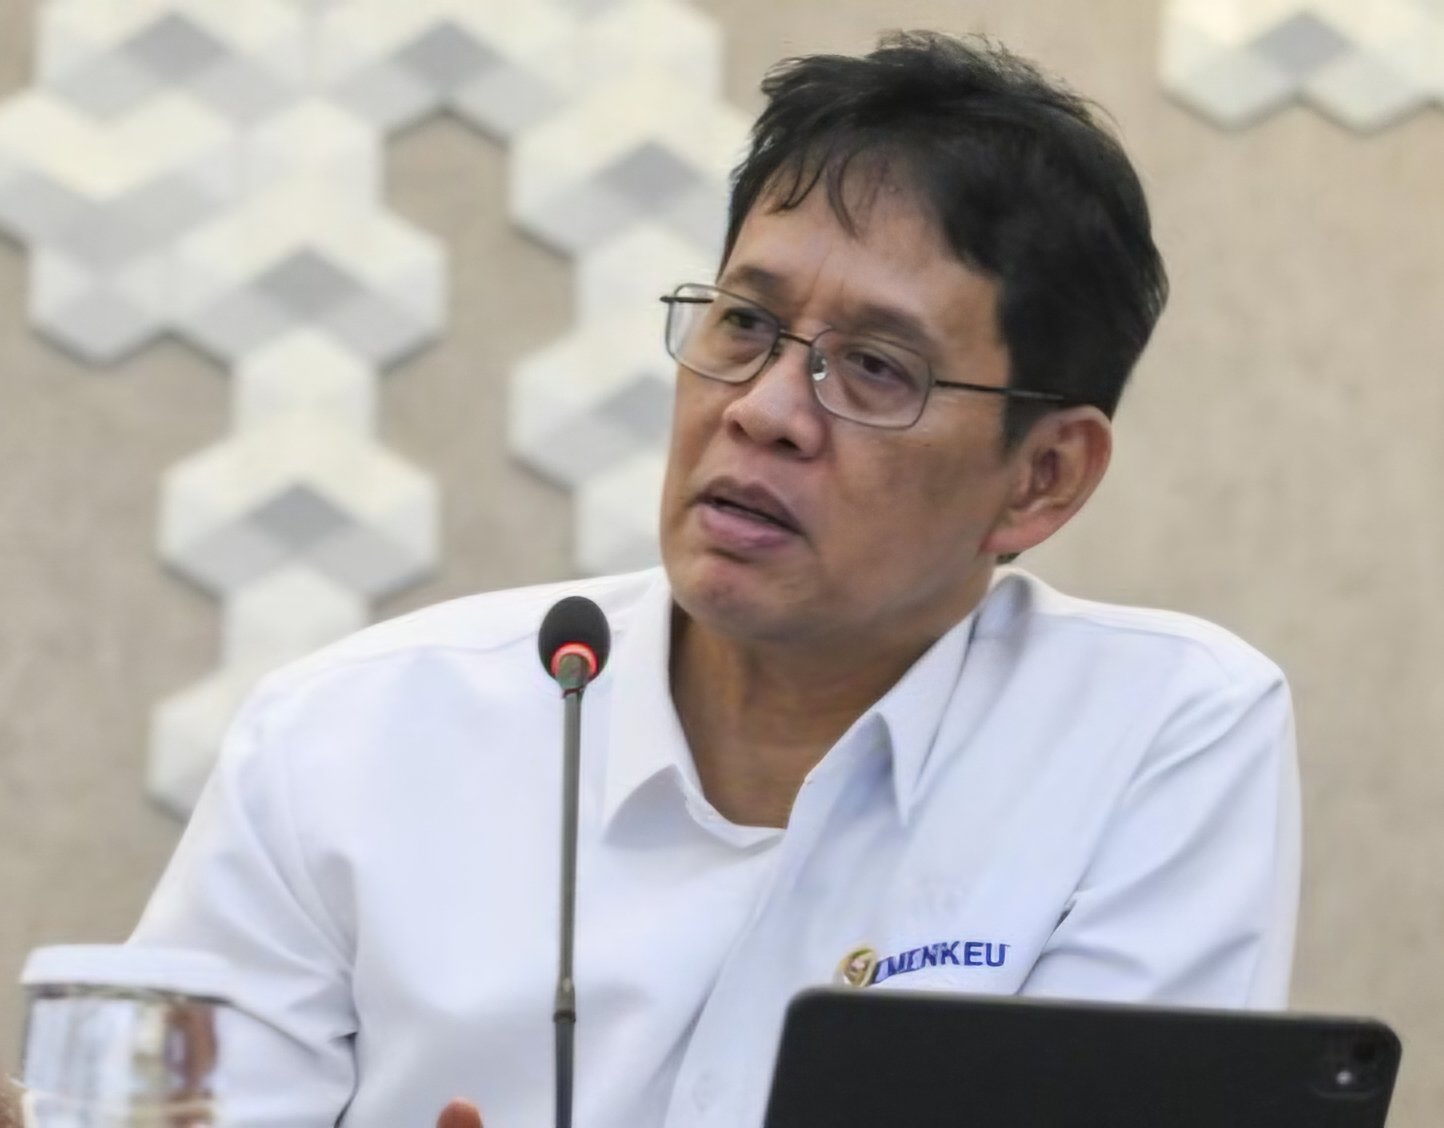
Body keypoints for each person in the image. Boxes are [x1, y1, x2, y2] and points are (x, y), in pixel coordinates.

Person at [127, 31, 1299, 1128]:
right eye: (743, 323)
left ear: (1042, 478)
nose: (764, 409)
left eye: (874, 367)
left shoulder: (1152, 738)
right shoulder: (348, 738)